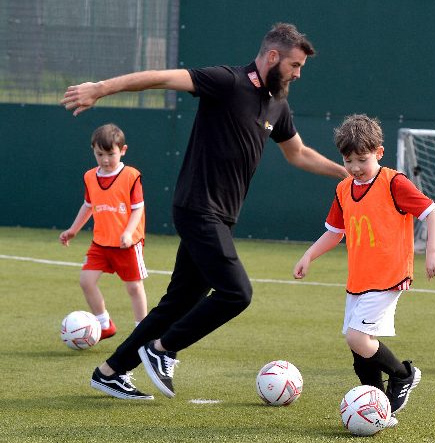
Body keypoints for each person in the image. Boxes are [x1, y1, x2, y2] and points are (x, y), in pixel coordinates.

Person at [61, 23, 348, 400]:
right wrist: (100, 89)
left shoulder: (277, 105)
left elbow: (298, 153)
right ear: (273, 56)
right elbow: (160, 78)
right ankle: (163, 349)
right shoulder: (226, 82)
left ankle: (110, 371)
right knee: (237, 293)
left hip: (221, 217)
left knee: (180, 301)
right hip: (199, 208)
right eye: (294, 65)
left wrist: (345, 173)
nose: (297, 74)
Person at [293, 114, 435, 420]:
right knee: (358, 350)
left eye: (361, 159)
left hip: (389, 277)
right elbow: (336, 232)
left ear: (379, 152)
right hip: (359, 279)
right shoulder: (343, 189)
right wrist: (309, 255)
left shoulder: (394, 183)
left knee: (357, 338)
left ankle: (403, 374)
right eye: (348, 160)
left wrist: (432, 252)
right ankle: (379, 409)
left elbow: (433, 213)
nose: (354, 168)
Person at [59, 123, 148, 339]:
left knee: (134, 288)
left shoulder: (131, 176)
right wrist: (73, 230)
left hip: (127, 244)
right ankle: (104, 323)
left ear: (123, 150)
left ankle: (143, 332)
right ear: (93, 151)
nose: (105, 159)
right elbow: (88, 205)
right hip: (100, 243)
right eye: (100, 154)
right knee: (86, 281)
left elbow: (138, 209)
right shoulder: (90, 176)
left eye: (111, 154)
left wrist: (127, 233)